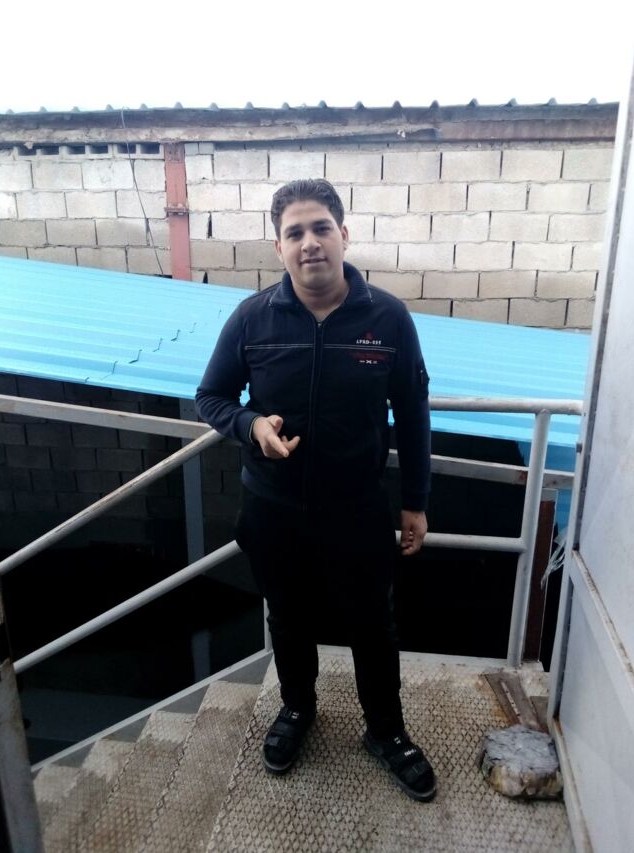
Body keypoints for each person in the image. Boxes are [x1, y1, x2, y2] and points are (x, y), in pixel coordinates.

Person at [195, 179, 436, 802]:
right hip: (273, 507)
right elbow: (211, 397)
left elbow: (413, 412)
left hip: (358, 507)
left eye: (321, 228)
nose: (310, 243)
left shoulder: (387, 318)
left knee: (373, 623)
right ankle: (298, 709)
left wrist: (415, 501)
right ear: (279, 248)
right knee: (288, 615)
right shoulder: (252, 318)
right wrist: (251, 426)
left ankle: (386, 730)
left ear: (343, 235)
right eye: (295, 233)